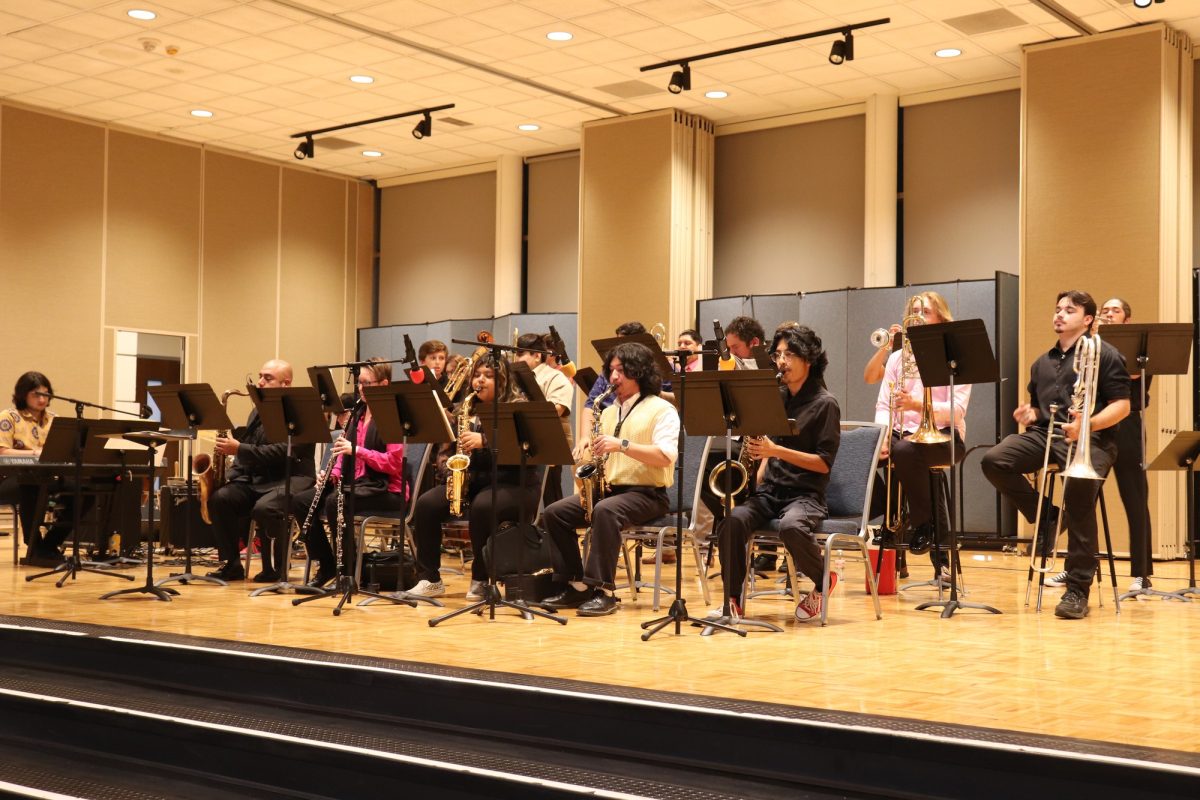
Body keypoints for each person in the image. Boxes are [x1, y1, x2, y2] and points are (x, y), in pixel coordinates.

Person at [981, 290, 1130, 619]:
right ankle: (1048, 516)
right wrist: (1030, 413)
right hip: (1046, 434)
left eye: (1070, 310)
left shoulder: (1106, 355)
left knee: (1078, 486)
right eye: (1058, 308)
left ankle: (1077, 588)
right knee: (994, 461)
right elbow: (1038, 407)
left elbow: (1122, 406)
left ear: (1088, 319)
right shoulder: (1042, 362)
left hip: (1093, 439)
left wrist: (1087, 425)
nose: (1060, 314)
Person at [712, 326, 842, 623]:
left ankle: (824, 580)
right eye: (778, 354)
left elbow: (823, 463)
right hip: (771, 491)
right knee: (731, 522)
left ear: (808, 359)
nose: (780, 361)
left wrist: (775, 452)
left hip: (806, 494)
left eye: (789, 355)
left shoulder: (825, 404)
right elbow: (766, 447)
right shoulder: (776, 396)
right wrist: (757, 473)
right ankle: (732, 601)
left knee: (791, 528)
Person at [542, 342, 680, 616]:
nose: (613, 378)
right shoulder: (605, 412)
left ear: (639, 373)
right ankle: (576, 585)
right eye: (611, 371)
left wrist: (622, 445)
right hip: (611, 490)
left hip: (648, 494)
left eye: (621, 371)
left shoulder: (661, 410)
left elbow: (665, 456)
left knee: (605, 510)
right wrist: (585, 460)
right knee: (554, 513)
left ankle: (603, 591)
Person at [409, 357, 540, 599]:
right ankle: (429, 578)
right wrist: (453, 476)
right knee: (427, 504)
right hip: (474, 482)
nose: (480, 380)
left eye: (488, 375)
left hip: (513, 482)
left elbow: (527, 450)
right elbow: (445, 453)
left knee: (482, 506)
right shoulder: (465, 409)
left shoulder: (517, 408)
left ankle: (481, 578)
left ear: (503, 380)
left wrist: (486, 442)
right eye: (477, 374)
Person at [1048, 297, 1152, 594]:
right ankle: (1074, 569)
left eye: (1115, 310)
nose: (1108, 313)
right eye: (1104, 310)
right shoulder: (1089, 345)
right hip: (1091, 427)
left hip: (1127, 424)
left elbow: (1132, 375)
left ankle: (1141, 573)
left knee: (1134, 497)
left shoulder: (1135, 347)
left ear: (1127, 320)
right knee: (1081, 498)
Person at [873, 292, 971, 583]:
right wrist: (883, 437)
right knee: (875, 454)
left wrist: (918, 406)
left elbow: (957, 411)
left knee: (912, 458)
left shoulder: (955, 358)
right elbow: (883, 406)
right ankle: (891, 540)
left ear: (941, 318)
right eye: (914, 312)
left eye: (925, 312)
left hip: (945, 436)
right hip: (903, 436)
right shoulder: (897, 359)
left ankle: (921, 525)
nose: (918, 318)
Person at [292, 360, 406, 588]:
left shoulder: (392, 416)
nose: (361, 389)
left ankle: (348, 574)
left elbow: (394, 464)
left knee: (337, 502)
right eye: (359, 383)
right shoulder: (358, 413)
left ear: (384, 384)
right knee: (300, 501)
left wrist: (359, 451)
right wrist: (332, 472)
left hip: (387, 489)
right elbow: (343, 454)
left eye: (366, 383)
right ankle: (326, 565)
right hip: (357, 484)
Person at [207, 359, 316, 582]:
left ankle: (275, 569)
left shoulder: (302, 411)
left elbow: (282, 451)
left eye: (268, 378)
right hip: (259, 479)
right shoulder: (258, 411)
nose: (260, 382)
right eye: (260, 376)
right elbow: (251, 446)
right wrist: (230, 476)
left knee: (265, 508)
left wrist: (239, 448)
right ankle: (231, 565)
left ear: (286, 384)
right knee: (221, 498)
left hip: (293, 477)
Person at [0, 371, 73, 565]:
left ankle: (49, 544)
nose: (42, 399)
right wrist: (34, 453)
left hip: (48, 478)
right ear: (23, 394)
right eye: (36, 394)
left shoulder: (55, 420)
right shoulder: (9, 417)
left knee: (84, 487)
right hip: (10, 480)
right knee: (31, 484)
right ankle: (34, 546)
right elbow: (3, 452)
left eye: (46, 394)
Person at [574, 321, 647, 463]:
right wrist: (585, 438)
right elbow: (590, 406)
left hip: (638, 433)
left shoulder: (652, 371)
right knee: (581, 459)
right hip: (608, 430)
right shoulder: (607, 374)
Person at [514, 333, 573, 505]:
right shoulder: (516, 377)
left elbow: (557, 410)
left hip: (551, 443)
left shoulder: (556, 377)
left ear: (537, 355)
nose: (516, 358)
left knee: (550, 494)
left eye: (520, 354)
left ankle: (554, 530)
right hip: (524, 441)